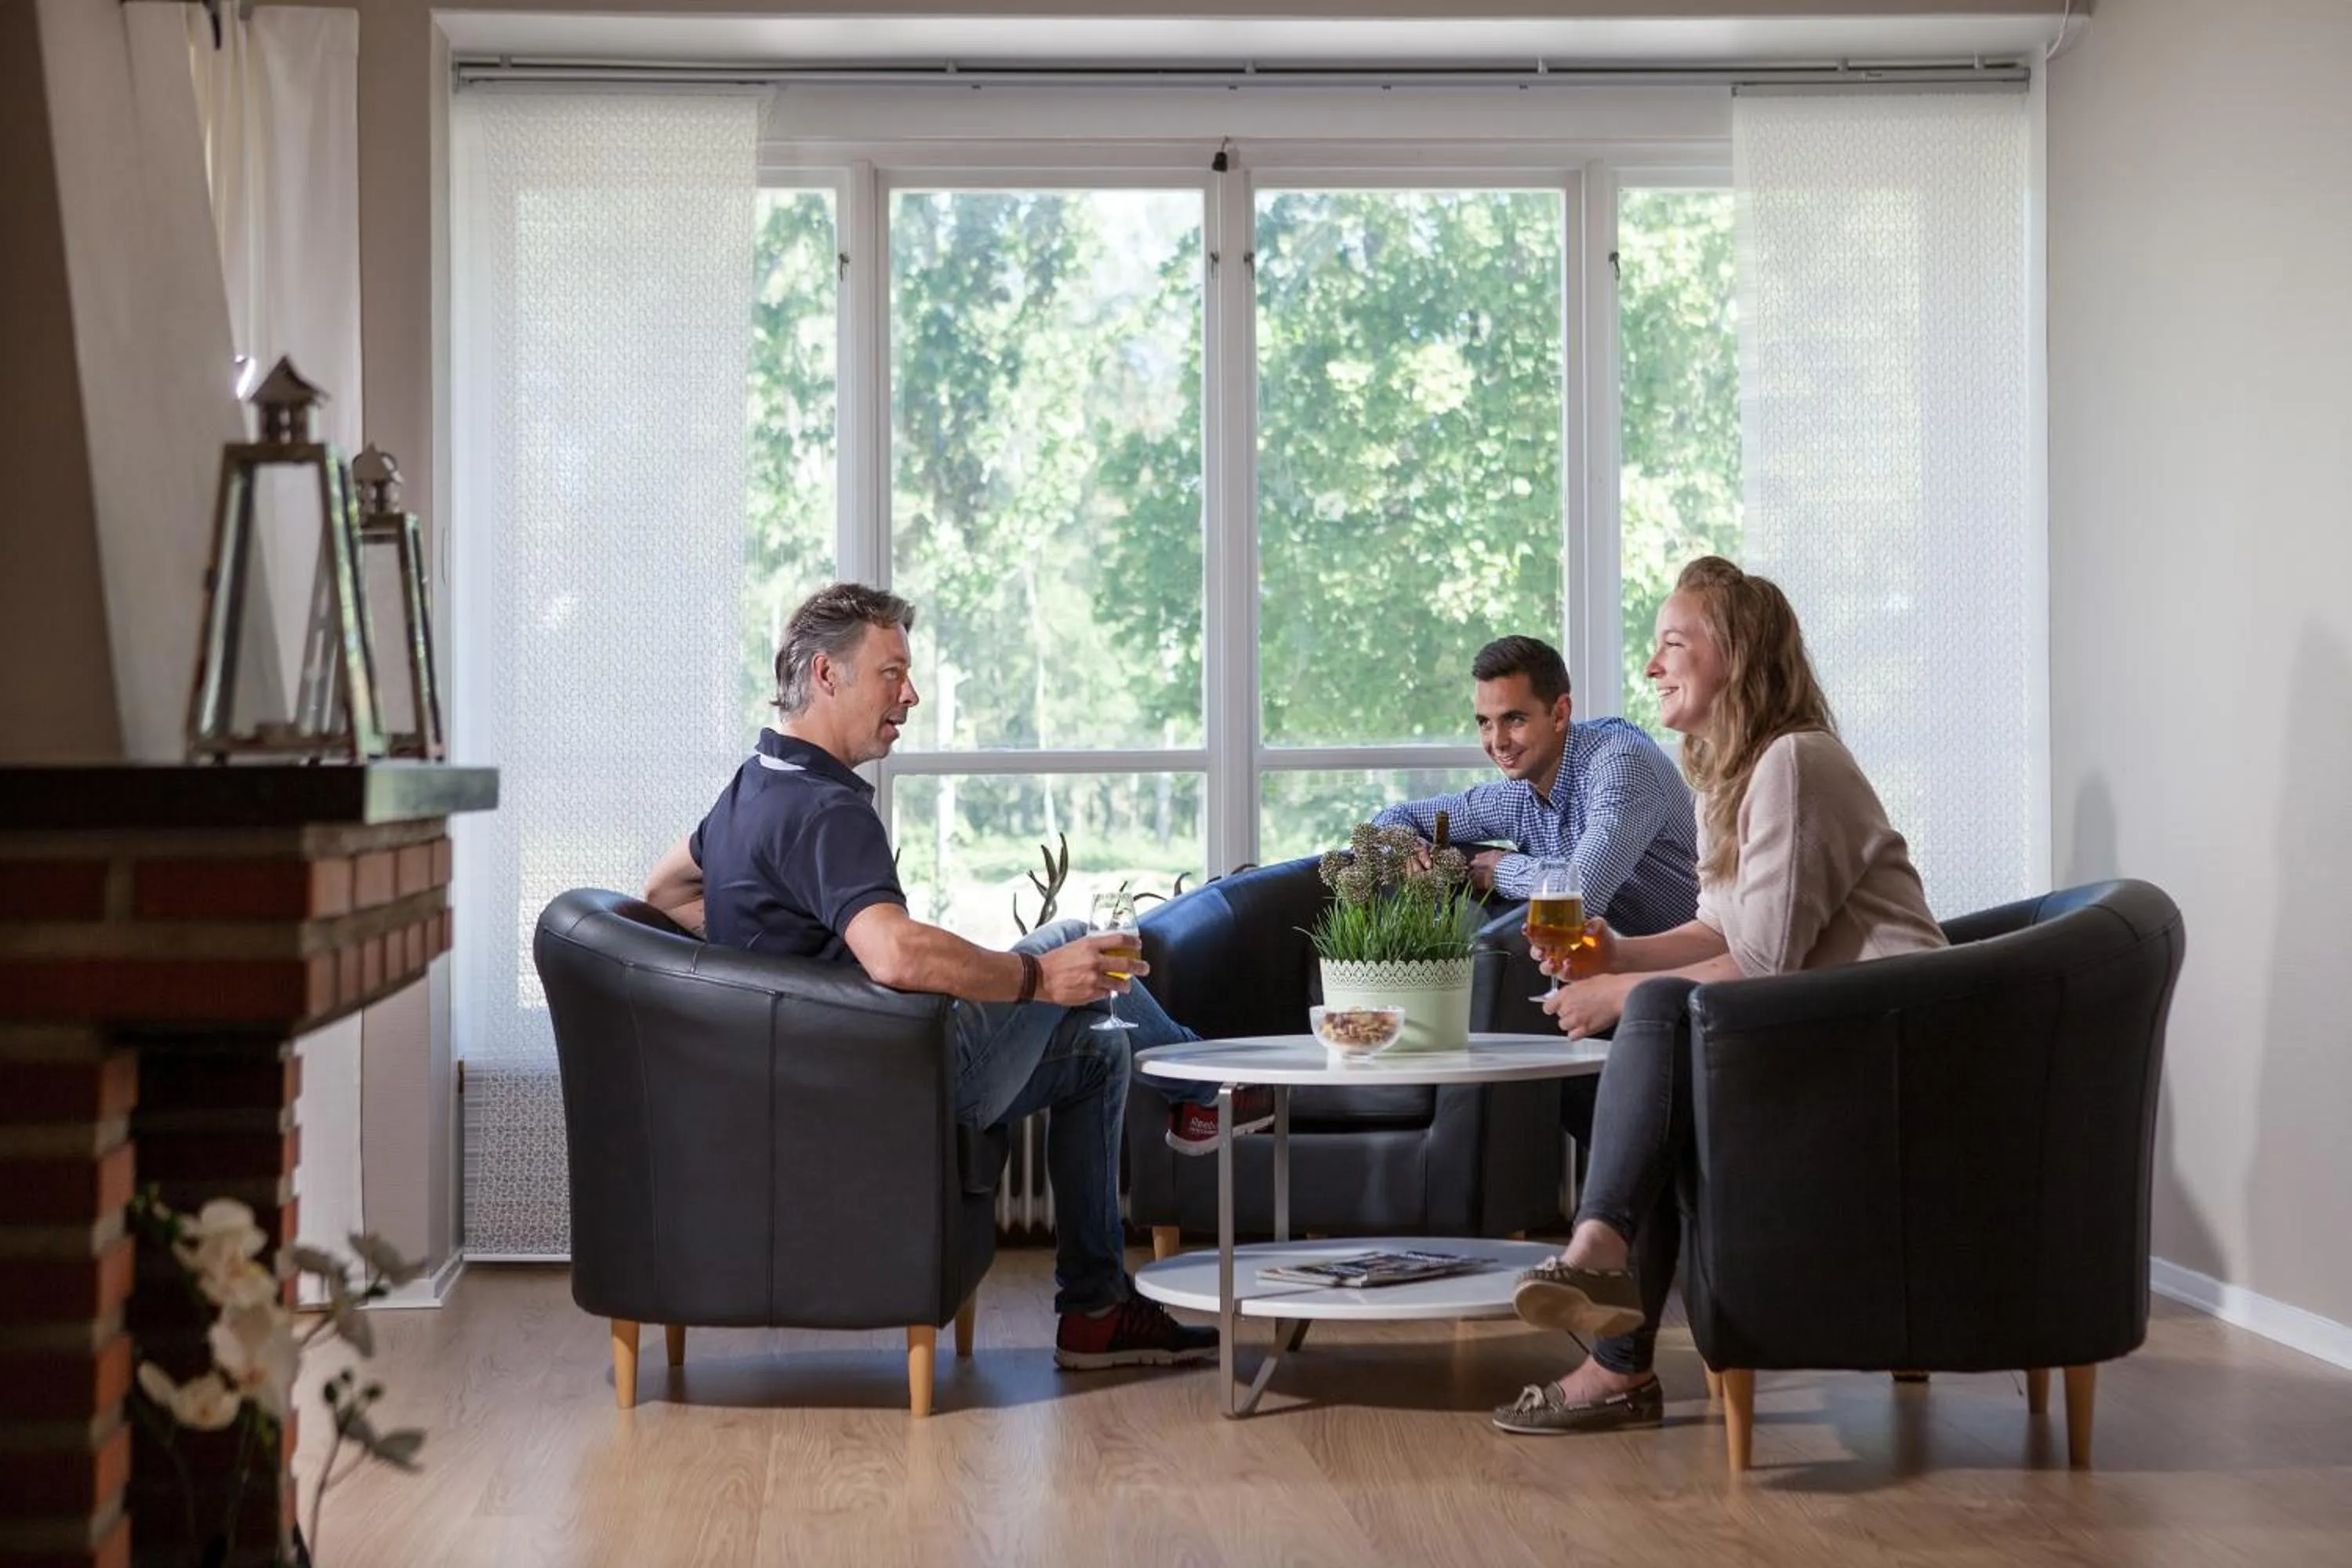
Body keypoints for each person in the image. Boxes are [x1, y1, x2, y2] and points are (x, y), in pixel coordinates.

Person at [643, 583, 1263, 1371]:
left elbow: (662, 892)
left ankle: (1096, 1308)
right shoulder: (827, 809)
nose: (911, 693)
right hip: (890, 1078)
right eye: (891, 672)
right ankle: (1204, 1092)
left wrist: (770, 960)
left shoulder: (751, 785)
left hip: (837, 1068)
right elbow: (895, 954)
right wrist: (1035, 978)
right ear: (827, 674)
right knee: (1073, 939)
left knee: (1100, 1048)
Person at [1491, 557, 1947, 1436]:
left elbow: (1768, 961)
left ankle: (1602, 1280)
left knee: (1654, 1015)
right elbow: (1720, 927)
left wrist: (1626, 987)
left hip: (1893, 1050)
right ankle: (1607, 1303)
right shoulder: (1730, 772)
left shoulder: (1796, 763)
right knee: (1648, 1063)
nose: (1653, 667)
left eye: (1673, 645)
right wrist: (1614, 948)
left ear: (1733, 655)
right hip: (1822, 1034)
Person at [1371, 635, 1698, 937]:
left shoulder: (1621, 765)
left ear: (1559, 714)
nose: (1497, 742)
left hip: (1707, 970)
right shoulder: (1517, 794)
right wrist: (1405, 847)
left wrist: (1501, 870)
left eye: (1514, 720)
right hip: (1620, 966)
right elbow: (1393, 816)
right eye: (1485, 723)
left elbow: (1581, 896)